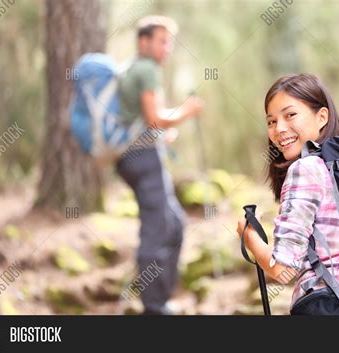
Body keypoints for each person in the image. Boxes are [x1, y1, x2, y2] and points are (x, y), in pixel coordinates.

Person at [237, 74, 339, 315]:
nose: (279, 129)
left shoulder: (306, 168)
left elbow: (282, 270)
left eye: (290, 115)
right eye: (271, 121)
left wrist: (249, 237)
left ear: (322, 116)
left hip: (326, 304)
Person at [116, 15, 204, 315]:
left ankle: (161, 298)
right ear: (144, 41)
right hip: (143, 160)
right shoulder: (146, 69)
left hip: (136, 156)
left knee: (175, 224)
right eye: (162, 41)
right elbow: (154, 116)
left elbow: (141, 119)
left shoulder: (132, 69)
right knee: (157, 228)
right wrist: (187, 111)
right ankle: (154, 307)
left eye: (170, 42)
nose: (167, 48)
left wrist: (159, 134)